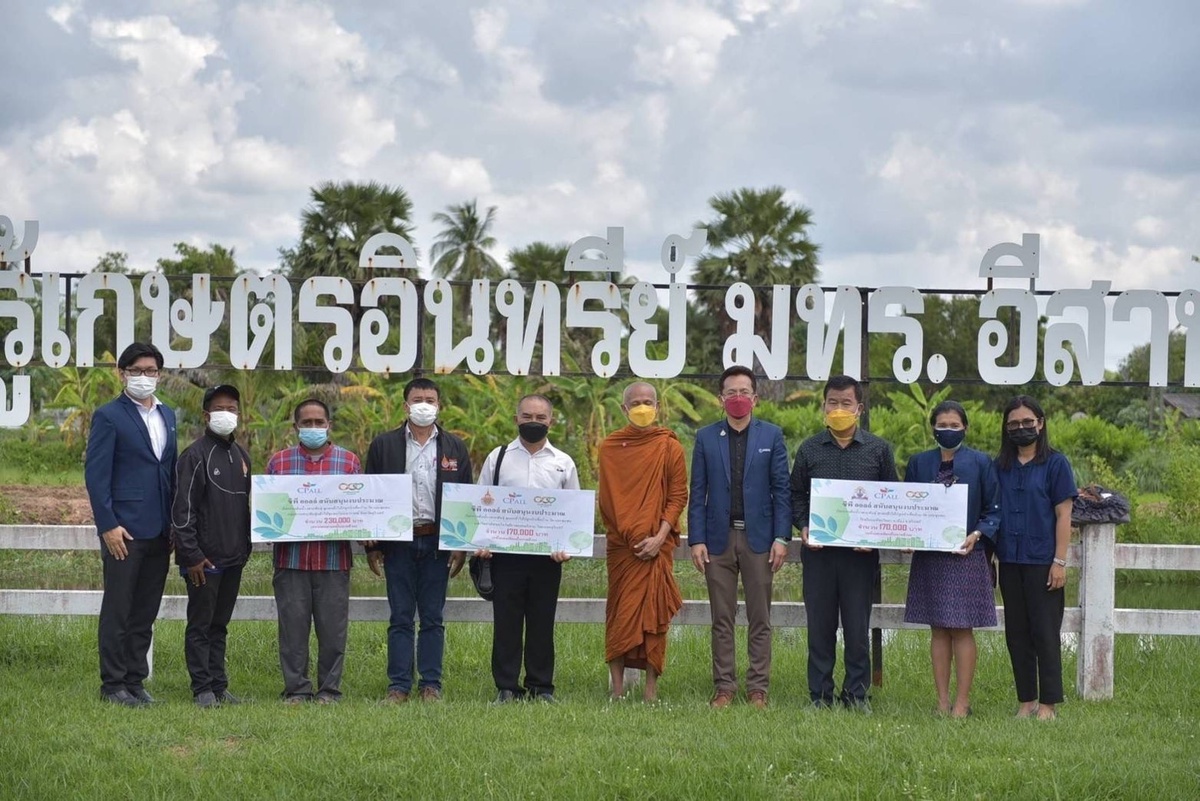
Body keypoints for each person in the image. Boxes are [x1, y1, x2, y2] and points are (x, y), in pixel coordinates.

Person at [790, 375, 897, 712]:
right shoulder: (808, 449)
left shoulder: (879, 450)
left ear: (859, 408)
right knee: (819, 627)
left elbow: (890, 498)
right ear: (823, 406)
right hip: (818, 554)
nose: (838, 409)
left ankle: (856, 695)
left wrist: (876, 535)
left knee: (856, 626)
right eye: (832, 403)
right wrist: (804, 526)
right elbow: (795, 495)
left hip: (860, 557)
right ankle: (819, 696)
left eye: (845, 403)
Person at [687, 366, 791, 709]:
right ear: (721, 399)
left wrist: (781, 537)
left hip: (760, 540)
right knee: (722, 617)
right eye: (731, 393)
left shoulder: (771, 436)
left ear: (755, 398)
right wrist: (696, 539)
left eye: (744, 392)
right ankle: (724, 687)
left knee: (760, 618)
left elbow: (782, 490)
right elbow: (698, 491)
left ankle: (758, 688)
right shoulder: (705, 437)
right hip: (717, 539)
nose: (737, 399)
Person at [365, 377, 472, 703]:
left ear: (439, 405)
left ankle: (431, 685)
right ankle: (398, 686)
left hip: (437, 542)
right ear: (405, 405)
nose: (424, 404)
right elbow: (371, 493)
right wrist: (372, 544)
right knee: (399, 617)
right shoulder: (384, 445)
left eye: (430, 399)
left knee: (432, 618)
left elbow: (465, 497)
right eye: (417, 398)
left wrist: (459, 544)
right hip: (398, 542)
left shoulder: (454, 447)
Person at [85, 342, 177, 707]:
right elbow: (96, 475)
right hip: (123, 531)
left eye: (151, 371)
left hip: (159, 530)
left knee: (145, 610)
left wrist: (174, 524)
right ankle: (113, 685)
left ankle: (136, 681)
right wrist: (107, 525)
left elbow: (168, 471)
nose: (144, 377)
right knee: (119, 608)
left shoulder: (167, 415)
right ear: (122, 373)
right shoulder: (109, 416)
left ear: (159, 374)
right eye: (137, 370)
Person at [473, 394, 581, 704]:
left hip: (547, 559)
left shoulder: (563, 462)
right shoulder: (498, 458)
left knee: (542, 622)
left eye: (540, 417)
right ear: (516, 419)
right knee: (506, 623)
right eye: (527, 416)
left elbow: (572, 511)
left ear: (551, 421)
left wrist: (567, 547)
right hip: (506, 557)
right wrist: (480, 543)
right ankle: (506, 687)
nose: (533, 422)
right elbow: (480, 503)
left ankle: (541, 688)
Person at [902, 400, 1001, 718]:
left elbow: (993, 511)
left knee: (962, 629)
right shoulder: (918, 463)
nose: (948, 430)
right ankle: (942, 701)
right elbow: (908, 505)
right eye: (942, 425)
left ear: (965, 428)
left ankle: (962, 702)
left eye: (954, 425)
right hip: (930, 556)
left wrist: (977, 534)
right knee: (938, 629)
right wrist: (907, 535)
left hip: (966, 555)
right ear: (933, 428)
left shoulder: (982, 462)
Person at [266, 398, 362, 704]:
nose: (313, 428)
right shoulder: (278, 463)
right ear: (295, 427)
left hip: (333, 561)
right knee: (292, 632)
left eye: (319, 422)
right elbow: (267, 510)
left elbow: (362, 510)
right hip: (290, 560)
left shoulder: (349, 463)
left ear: (329, 425)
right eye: (306, 423)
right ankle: (297, 690)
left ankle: (329, 691)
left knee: (333, 632)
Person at [598, 381, 687, 702]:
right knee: (620, 614)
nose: (642, 407)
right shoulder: (610, 447)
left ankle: (651, 690)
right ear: (624, 409)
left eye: (648, 401)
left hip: (657, 545)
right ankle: (617, 690)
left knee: (654, 617)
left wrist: (659, 537)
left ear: (658, 407)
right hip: (623, 547)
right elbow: (608, 501)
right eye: (636, 402)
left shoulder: (669, 446)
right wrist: (634, 537)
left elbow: (677, 496)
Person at [994, 395, 1076, 720]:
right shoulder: (999, 466)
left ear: (1040, 424)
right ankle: (1026, 701)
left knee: (1045, 632)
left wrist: (1060, 561)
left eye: (1028, 422)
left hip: (1043, 562)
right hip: (1010, 562)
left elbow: (1063, 515)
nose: (1021, 428)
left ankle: (1048, 704)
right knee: (1016, 634)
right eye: (1014, 423)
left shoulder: (1056, 464)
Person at [171, 384, 252, 708]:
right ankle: (202, 688)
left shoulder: (241, 455)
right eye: (220, 409)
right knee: (201, 625)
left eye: (232, 409)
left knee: (220, 626)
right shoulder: (194, 456)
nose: (226, 415)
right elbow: (182, 512)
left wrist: (244, 551)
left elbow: (246, 507)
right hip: (203, 562)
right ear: (206, 415)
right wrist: (191, 555)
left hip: (234, 559)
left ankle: (219, 685)